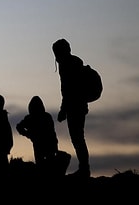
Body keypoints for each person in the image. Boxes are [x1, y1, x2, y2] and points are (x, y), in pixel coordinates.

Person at [52, 38, 91, 178]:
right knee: (78, 137)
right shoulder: (75, 62)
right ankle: (84, 168)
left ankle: (84, 169)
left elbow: (68, 90)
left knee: (78, 138)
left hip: (75, 106)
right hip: (78, 105)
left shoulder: (67, 65)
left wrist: (63, 110)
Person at [16, 95, 58, 174]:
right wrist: (28, 134)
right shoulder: (35, 118)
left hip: (48, 145)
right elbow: (19, 127)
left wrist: (28, 134)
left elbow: (52, 133)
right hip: (42, 145)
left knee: (47, 167)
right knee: (43, 167)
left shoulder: (43, 117)